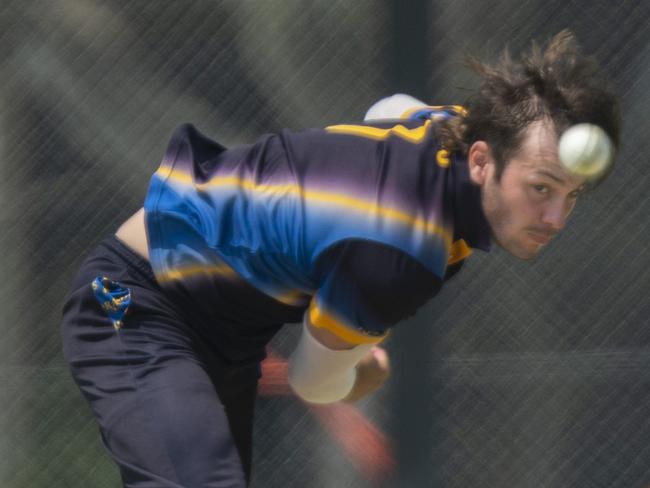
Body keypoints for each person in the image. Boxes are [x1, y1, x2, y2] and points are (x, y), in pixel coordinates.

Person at [61, 31, 620, 487]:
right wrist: (360, 373)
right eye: (541, 188)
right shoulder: (399, 251)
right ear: (481, 161)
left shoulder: (446, 127)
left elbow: (392, 108)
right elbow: (312, 382)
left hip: (221, 334)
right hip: (132, 301)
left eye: (571, 196)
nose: (556, 219)